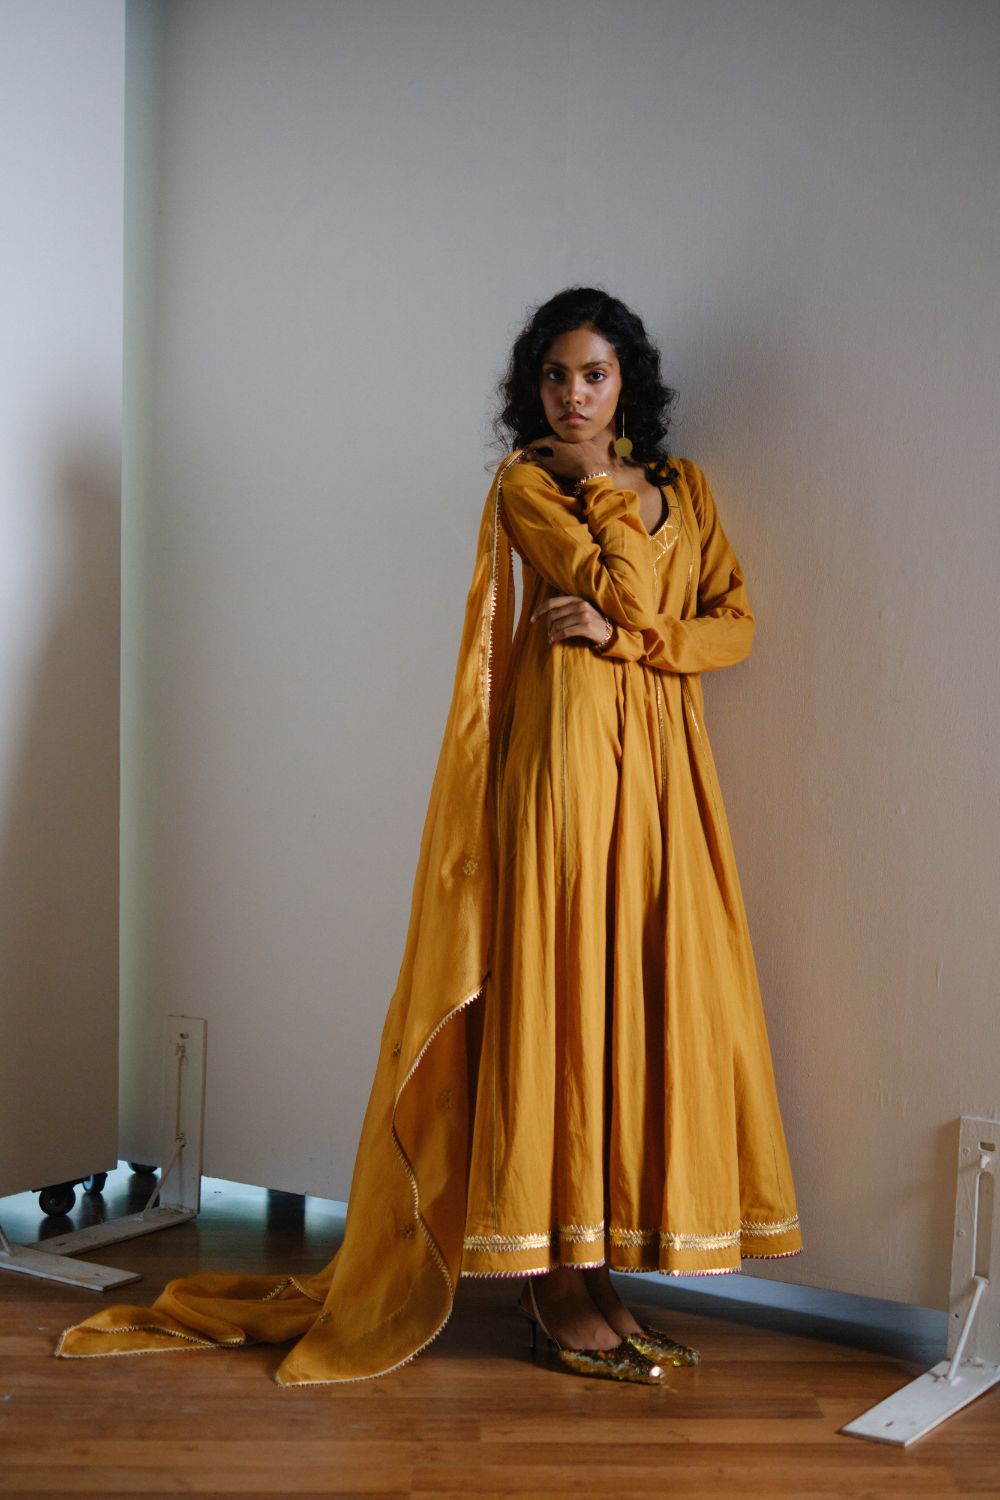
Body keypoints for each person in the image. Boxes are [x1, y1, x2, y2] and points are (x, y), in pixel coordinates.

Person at [57, 286, 801, 1387]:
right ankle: (556, 1286)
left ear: (627, 382)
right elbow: (625, 589)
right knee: (563, 1001)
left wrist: (630, 637)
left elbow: (729, 625)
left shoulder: (685, 488)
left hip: (662, 774)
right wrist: (608, 514)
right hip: (562, 763)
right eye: (555, 376)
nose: (573, 395)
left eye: (594, 375)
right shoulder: (531, 485)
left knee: (637, 996)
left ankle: (600, 1276)